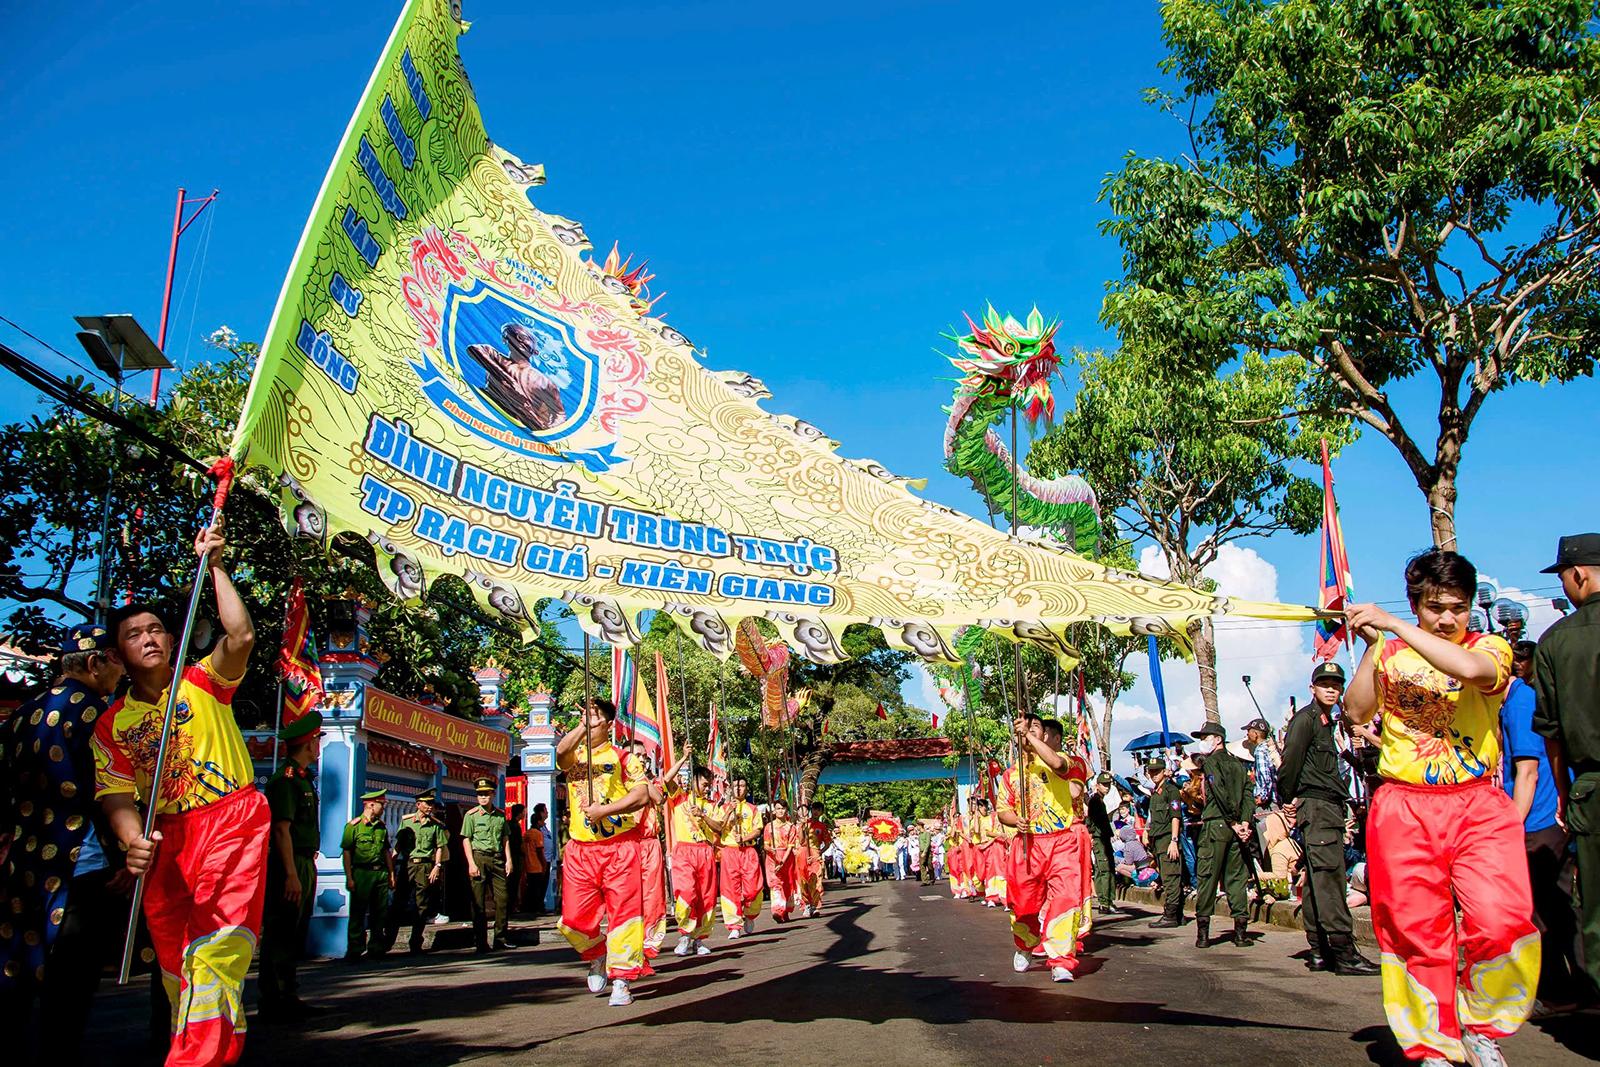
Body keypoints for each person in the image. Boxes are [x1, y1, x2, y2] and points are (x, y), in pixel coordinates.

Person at [1346, 548, 1539, 1065]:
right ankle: (1432, 1040)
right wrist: (1374, 645)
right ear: (1418, 605)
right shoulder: (1390, 653)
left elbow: (1475, 672)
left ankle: (1483, 1027)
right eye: (1435, 608)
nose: (1448, 618)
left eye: (1456, 606)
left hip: (1477, 803)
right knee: (1415, 929)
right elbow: (1356, 710)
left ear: (1471, 604)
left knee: (1502, 918)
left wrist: (1395, 625)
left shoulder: (1491, 646)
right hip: (1403, 806)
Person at [93, 521, 269, 1067]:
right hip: (165, 839)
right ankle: (202, 1050)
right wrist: (130, 840)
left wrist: (214, 565)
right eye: (132, 634)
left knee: (217, 948)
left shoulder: (202, 682)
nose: (147, 637)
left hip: (230, 821)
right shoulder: (112, 726)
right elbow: (117, 795)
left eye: (155, 630)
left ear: (172, 639)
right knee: (178, 965)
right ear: (118, 656)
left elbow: (239, 637)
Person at [0, 623, 125, 1065]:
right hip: (79, 861)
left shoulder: (21, 715)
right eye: (114, 662)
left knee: (18, 966)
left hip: (25, 859)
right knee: (70, 981)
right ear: (94, 663)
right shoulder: (97, 715)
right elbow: (108, 789)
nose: (119, 673)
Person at [1531, 532, 1600, 1005]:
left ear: (1577, 575)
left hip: (1591, 789)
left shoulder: (1556, 642)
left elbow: (1551, 733)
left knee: (1595, 911)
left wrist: (1562, 791)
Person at [1278, 662, 1379, 976]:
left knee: (1315, 880)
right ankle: (1344, 952)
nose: (1331, 689)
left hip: (1324, 806)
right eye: (1324, 683)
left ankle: (1321, 950)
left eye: (1336, 684)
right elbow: (1290, 761)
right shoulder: (1306, 721)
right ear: (1313, 688)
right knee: (1330, 881)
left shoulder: (1326, 721)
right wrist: (1287, 798)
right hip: (1318, 807)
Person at [554, 697, 653, 1007]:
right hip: (580, 850)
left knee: (625, 916)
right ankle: (597, 954)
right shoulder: (575, 756)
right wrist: (583, 725)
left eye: (595, 716)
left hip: (620, 848)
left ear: (609, 723)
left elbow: (641, 795)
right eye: (585, 715)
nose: (589, 720)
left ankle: (622, 979)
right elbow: (560, 753)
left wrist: (605, 810)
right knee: (572, 920)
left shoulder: (624, 758)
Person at [1502, 639, 1583, 1010]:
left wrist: (1510, 828)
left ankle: (1557, 991)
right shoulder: (1521, 700)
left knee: (1542, 911)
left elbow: (1528, 772)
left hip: (1535, 822)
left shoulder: (1518, 704)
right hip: (1542, 818)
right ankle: (1577, 987)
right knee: (1558, 906)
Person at [996, 714, 1085, 983]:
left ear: (1044, 735)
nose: (1028, 731)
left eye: (1035, 728)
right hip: (1027, 844)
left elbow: (1057, 764)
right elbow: (1003, 811)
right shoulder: (1011, 774)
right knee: (1023, 905)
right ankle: (1025, 945)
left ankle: (1060, 960)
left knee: (1066, 899)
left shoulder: (1068, 762)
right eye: (1023, 729)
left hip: (1062, 841)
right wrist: (1016, 820)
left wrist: (1030, 739)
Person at [259, 711, 323, 1019]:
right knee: (281, 930)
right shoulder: (285, 780)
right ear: (309, 745)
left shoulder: (303, 779)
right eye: (317, 740)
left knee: (294, 931)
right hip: (289, 862)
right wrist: (290, 875)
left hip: (303, 861)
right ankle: (274, 999)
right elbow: (281, 829)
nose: (318, 746)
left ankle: (288, 994)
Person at [1190, 723, 1254, 949]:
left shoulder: (1212, 763)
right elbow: (1248, 793)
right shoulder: (1238, 765)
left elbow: (1219, 792)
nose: (1203, 741)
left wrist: (1235, 822)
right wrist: (1245, 822)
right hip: (1236, 828)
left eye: (1206, 737)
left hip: (1217, 824)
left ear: (1218, 739)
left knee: (1208, 876)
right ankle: (1240, 933)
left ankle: (1203, 934)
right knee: (1236, 878)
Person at [662, 758, 725, 954]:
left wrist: (703, 816)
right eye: (705, 784)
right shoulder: (680, 797)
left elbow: (720, 827)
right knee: (686, 893)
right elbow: (666, 779)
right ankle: (685, 934)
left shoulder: (712, 805)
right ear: (695, 780)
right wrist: (683, 757)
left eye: (709, 785)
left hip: (705, 851)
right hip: (684, 851)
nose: (707, 788)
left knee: (706, 897)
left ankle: (700, 939)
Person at [460, 779, 514, 952]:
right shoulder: (471, 815)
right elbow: (466, 839)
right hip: (479, 858)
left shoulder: (500, 815)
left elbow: (505, 838)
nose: (482, 797)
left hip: (497, 859)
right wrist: (471, 863)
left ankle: (500, 938)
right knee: (478, 902)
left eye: (486, 794)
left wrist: (509, 860)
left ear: (492, 795)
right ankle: (480, 942)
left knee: (503, 899)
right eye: (479, 794)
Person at [393, 788, 449, 953]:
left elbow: (439, 847)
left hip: (425, 865)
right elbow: (398, 845)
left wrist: (437, 866)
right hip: (408, 864)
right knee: (399, 902)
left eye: (431, 803)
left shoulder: (435, 825)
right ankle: (387, 940)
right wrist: (392, 865)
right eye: (427, 803)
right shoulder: (407, 822)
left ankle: (415, 942)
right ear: (418, 805)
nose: (430, 806)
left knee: (421, 905)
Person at [341, 790, 394, 959]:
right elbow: (347, 852)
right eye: (381, 805)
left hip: (380, 873)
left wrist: (391, 873)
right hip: (362, 872)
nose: (383, 808)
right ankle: (355, 948)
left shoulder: (381, 827)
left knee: (380, 912)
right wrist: (349, 877)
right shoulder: (353, 827)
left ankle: (376, 947)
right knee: (358, 912)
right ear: (371, 805)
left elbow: (386, 851)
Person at [626, 740, 668, 956]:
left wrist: (642, 776)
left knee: (652, 895)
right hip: (627, 843)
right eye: (637, 755)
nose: (642, 758)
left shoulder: (648, 781)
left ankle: (650, 942)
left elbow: (659, 798)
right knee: (628, 896)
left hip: (650, 845)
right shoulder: (619, 780)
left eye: (643, 755)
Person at [1142, 758, 1185, 928]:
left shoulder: (1170, 790)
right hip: (1158, 840)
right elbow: (1152, 818)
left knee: (1171, 878)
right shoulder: (1155, 794)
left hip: (1168, 839)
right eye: (1151, 771)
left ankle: (1170, 915)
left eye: (1157, 771)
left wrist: (1174, 841)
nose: (1154, 775)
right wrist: (1146, 831)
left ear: (1164, 771)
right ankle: (1178, 914)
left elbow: (1176, 817)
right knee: (1167, 876)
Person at [718, 779, 763, 939]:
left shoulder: (753, 809)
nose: (738, 789)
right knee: (730, 889)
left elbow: (758, 830)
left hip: (748, 851)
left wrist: (744, 838)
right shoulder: (723, 808)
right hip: (729, 852)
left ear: (746, 789)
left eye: (742, 785)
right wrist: (729, 811)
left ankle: (750, 915)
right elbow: (718, 827)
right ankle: (734, 925)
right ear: (731, 788)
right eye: (735, 786)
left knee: (753, 888)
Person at [763, 798, 804, 921]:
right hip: (772, 858)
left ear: (786, 811)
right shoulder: (768, 827)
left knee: (787, 884)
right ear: (774, 811)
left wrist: (782, 861)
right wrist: (770, 850)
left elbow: (790, 846)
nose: (780, 811)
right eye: (778, 809)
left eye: (783, 809)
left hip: (786, 858)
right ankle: (777, 910)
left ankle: (785, 910)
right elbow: (765, 845)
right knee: (775, 885)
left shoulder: (790, 827)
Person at [1086, 773, 1118, 917]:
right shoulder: (1095, 801)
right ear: (1097, 785)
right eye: (1104, 784)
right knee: (1104, 869)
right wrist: (1091, 836)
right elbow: (1091, 822)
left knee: (1108, 868)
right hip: (1099, 838)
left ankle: (1108, 900)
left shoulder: (1101, 801)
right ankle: (1104, 902)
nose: (1107, 787)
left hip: (1104, 837)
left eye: (1109, 785)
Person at [802, 801, 832, 916]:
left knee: (816, 880)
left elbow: (828, 843)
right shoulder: (805, 823)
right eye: (814, 809)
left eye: (818, 810)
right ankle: (806, 904)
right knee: (804, 880)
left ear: (821, 812)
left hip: (815, 854)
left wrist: (820, 852)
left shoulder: (822, 826)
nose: (816, 812)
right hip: (803, 853)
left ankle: (814, 905)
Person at [521, 802, 551, 916]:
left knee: (534, 888)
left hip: (532, 864)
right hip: (538, 864)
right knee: (538, 888)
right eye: (545, 810)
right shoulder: (537, 833)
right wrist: (543, 864)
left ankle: (533, 907)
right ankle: (536, 907)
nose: (547, 812)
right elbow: (539, 850)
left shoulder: (528, 833)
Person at [1243, 717, 1279, 811]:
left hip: (1268, 803)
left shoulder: (1260, 751)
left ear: (1256, 734)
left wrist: (1262, 797)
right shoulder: (1269, 748)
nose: (1247, 734)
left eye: (1249, 731)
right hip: (1275, 798)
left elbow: (1265, 775)